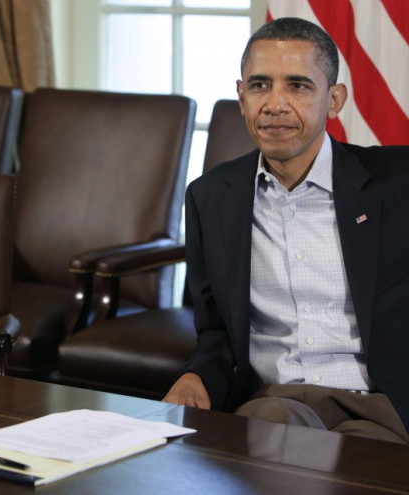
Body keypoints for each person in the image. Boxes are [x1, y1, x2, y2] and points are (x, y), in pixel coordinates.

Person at [164, 17, 409, 444]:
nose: (275, 104)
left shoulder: (398, 184)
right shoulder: (210, 198)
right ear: (241, 97)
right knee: (272, 451)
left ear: (334, 100)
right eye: (260, 85)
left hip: (380, 404)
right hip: (275, 401)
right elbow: (216, 332)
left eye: (297, 86)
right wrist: (196, 375)